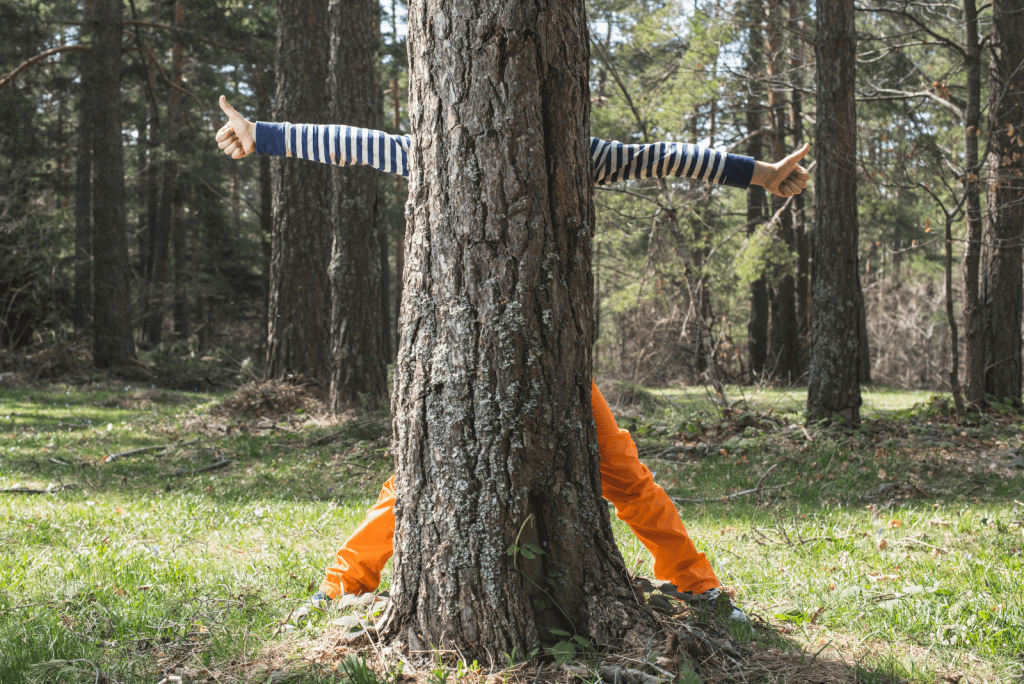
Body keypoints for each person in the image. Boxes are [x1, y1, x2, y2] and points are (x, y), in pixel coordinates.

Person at [215, 96, 810, 623]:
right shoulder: (439, 149)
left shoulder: (579, 153)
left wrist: (762, 173)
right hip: (465, 359)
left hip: (553, 357)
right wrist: (262, 134)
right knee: (423, 477)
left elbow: (665, 156)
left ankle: (698, 586)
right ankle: (342, 587)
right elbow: (355, 145)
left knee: (623, 471)